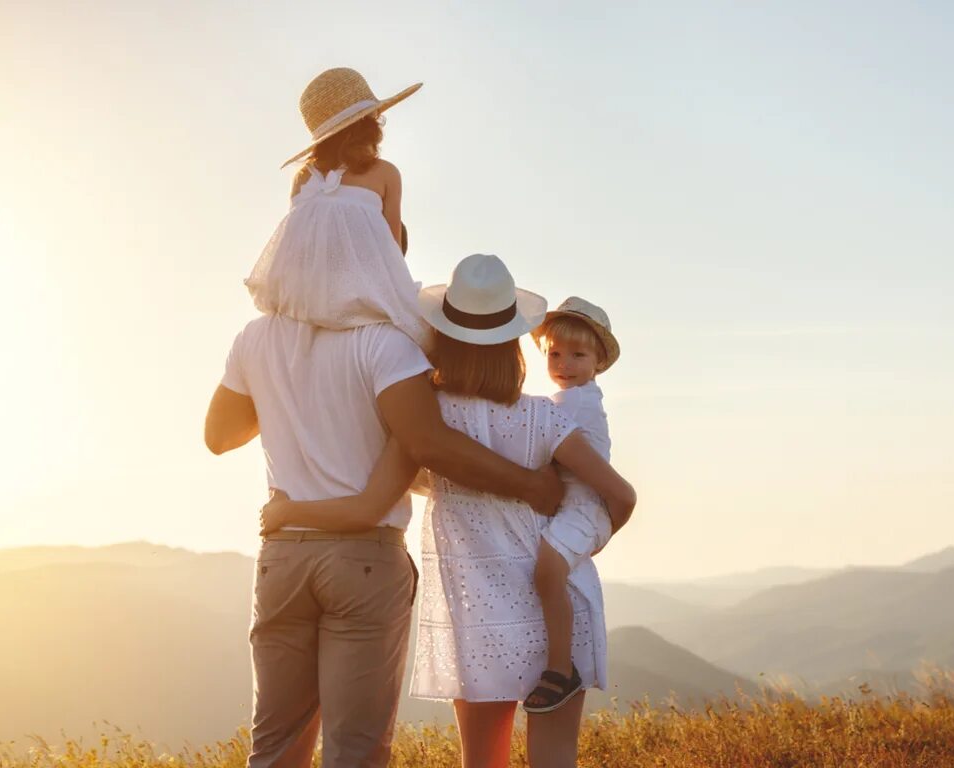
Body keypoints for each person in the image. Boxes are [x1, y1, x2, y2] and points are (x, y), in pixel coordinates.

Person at [205, 72, 566, 768]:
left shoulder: (256, 340)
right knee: (356, 751)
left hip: (283, 556)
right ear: (379, 227)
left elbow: (220, 437)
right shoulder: (386, 344)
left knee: (273, 747)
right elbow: (430, 442)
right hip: (362, 558)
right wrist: (531, 485)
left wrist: (285, 394)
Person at [261, 254, 636, 768]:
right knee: (555, 760)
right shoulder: (546, 419)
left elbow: (378, 498)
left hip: (479, 613)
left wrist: (290, 509)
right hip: (557, 610)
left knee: (483, 760)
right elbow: (619, 495)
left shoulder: (426, 423)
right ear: (515, 342)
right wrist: (579, 543)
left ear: (441, 336)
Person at [244, 67, 431, 352]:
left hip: (306, 301)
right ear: (368, 124)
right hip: (366, 296)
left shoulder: (302, 179)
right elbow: (392, 255)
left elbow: (306, 247)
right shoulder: (386, 173)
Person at [522, 297, 625, 714]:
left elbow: (535, 437)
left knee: (547, 570)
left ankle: (560, 668)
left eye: (577, 356)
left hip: (584, 507)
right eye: (555, 354)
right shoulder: (578, 397)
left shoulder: (570, 404)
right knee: (550, 572)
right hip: (578, 506)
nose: (564, 364)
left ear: (598, 362)